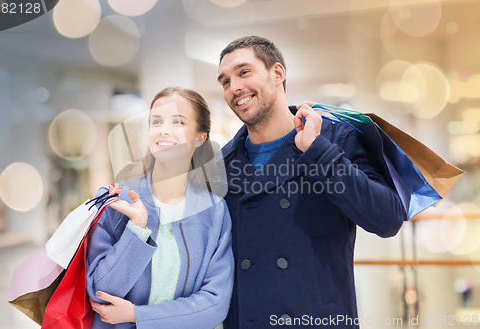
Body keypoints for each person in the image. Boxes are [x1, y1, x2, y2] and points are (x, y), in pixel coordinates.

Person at [217, 36, 406, 328]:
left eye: (243, 72)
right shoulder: (223, 163)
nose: (234, 88)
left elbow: (387, 219)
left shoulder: (334, 139)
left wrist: (319, 152)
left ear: (277, 73)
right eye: (225, 81)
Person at [86, 87, 234, 329]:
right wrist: (137, 230)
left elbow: (214, 304)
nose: (163, 129)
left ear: (200, 137)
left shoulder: (215, 211)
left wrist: (137, 315)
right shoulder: (114, 199)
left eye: (178, 122)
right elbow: (100, 291)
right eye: (156, 121)